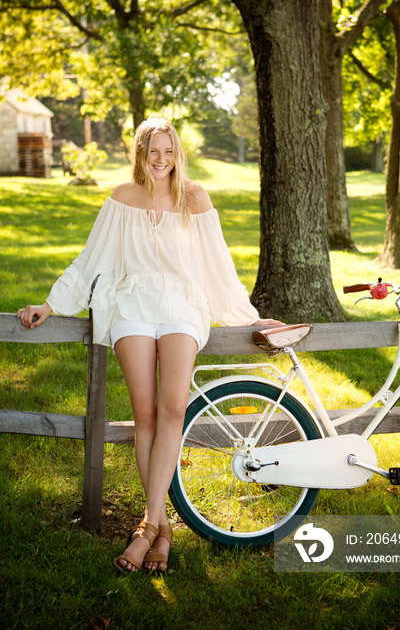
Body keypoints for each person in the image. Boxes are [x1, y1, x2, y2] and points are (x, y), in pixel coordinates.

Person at [17, 117, 282, 573]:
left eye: (167, 151)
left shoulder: (195, 198)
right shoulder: (123, 198)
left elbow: (218, 265)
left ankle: (146, 527)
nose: (160, 161)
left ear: (177, 153)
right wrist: (52, 303)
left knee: (174, 407)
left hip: (182, 305)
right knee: (146, 415)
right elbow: (91, 257)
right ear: (139, 154)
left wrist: (251, 317)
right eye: (151, 152)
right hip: (132, 303)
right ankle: (161, 529)